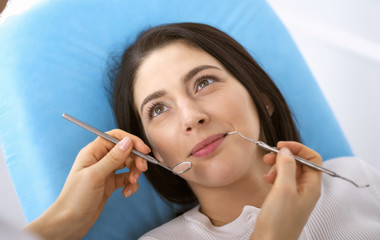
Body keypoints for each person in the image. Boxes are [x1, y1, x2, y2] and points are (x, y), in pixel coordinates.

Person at [24, 23, 380, 239]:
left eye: (204, 82)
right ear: (153, 152)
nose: (191, 117)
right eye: (159, 109)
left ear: (262, 98)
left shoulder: (356, 178)